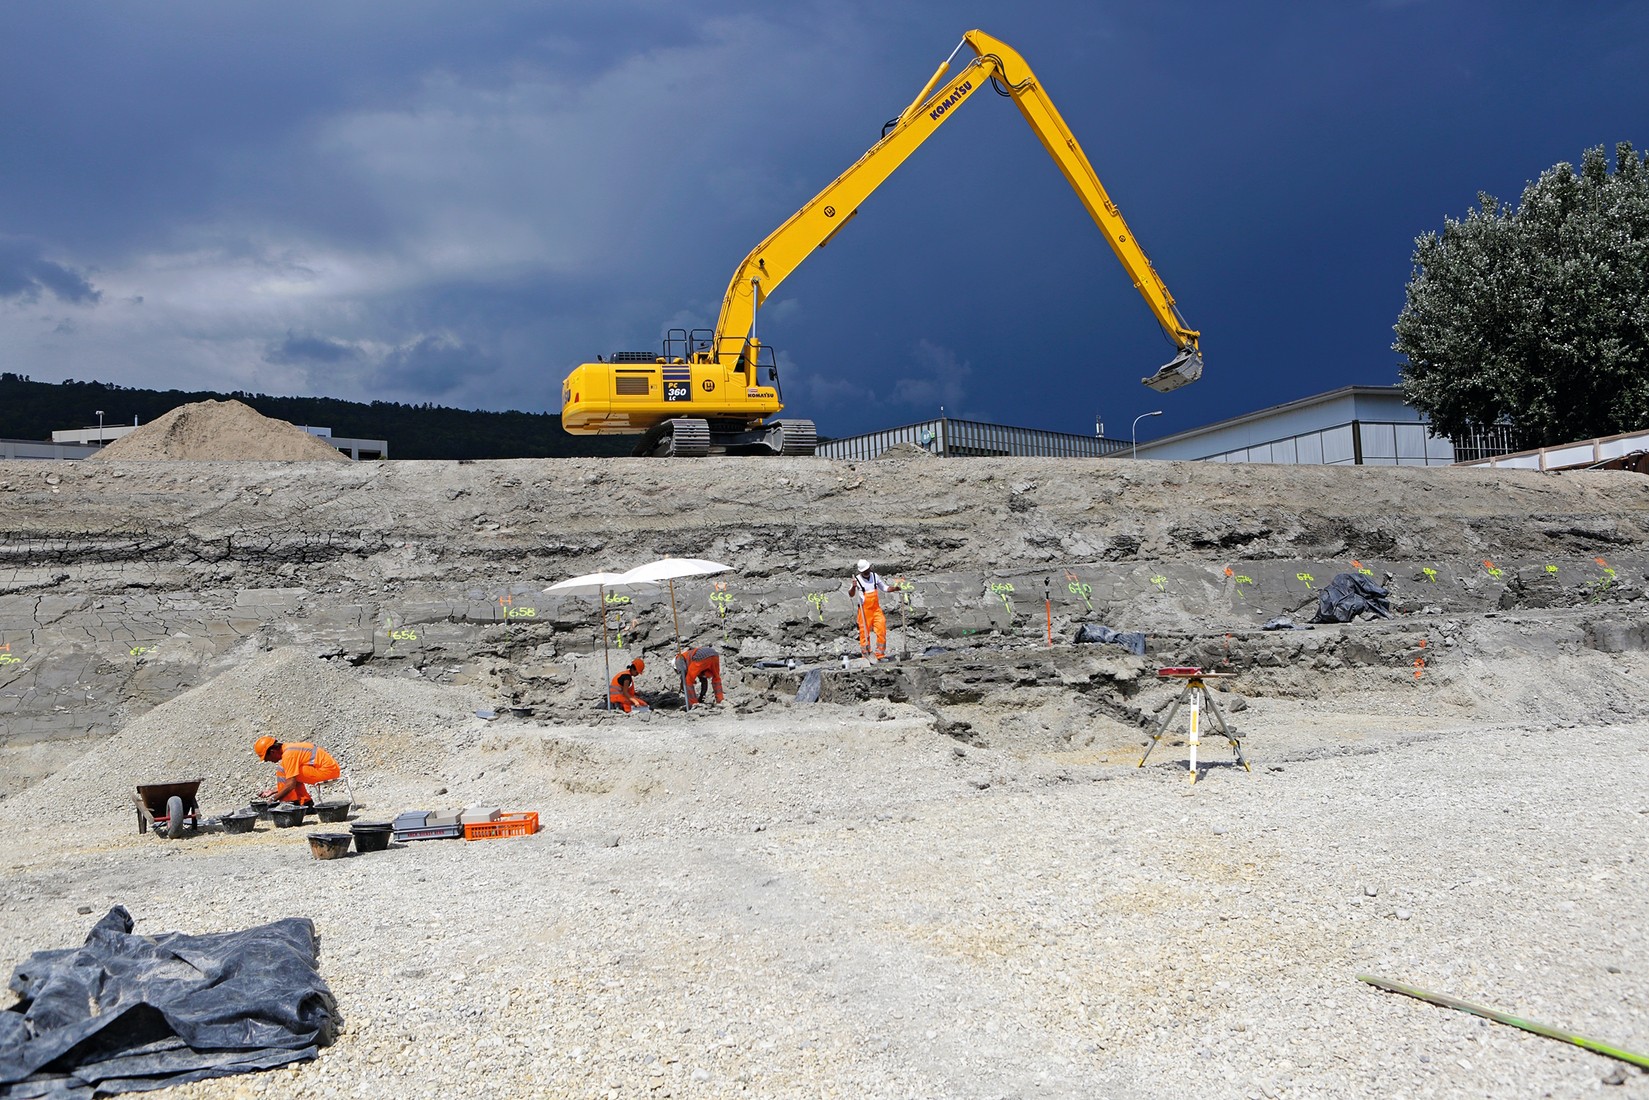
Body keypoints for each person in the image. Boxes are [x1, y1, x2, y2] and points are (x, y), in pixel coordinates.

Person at [253, 735, 341, 806]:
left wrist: (273, 799)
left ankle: (289, 804)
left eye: (266, 758)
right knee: (288, 770)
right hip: (329, 770)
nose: (268, 761)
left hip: (328, 772)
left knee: (285, 770)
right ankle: (305, 803)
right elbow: (291, 781)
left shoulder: (289, 755)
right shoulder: (289, 749)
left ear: (272, 752)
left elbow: (291, 783)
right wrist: (273, 791)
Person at [847, 559, 890, 660]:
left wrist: (894, 588)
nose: (867, 571)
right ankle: (866, 655)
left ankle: (880, 654)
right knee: (864, 633)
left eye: (868, 569)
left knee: (881, 628)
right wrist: (853, 587)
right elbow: (851, 594)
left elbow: (884, 587)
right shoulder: (857, 580)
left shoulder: (874, 576)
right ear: (861, 571)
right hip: (864, 610)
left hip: (876, 609)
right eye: (865, 570)